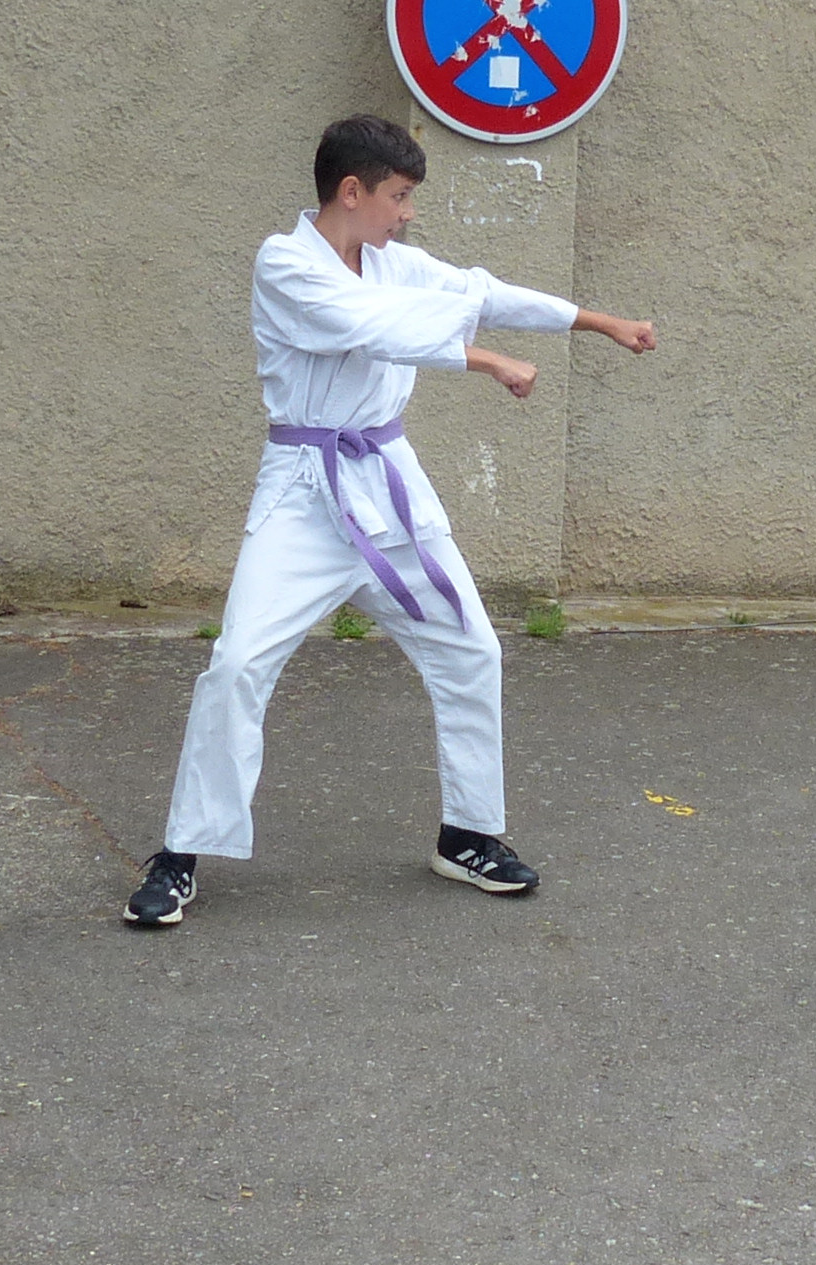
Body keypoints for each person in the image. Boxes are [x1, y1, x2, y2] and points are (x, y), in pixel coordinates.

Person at [123, 115, 657, 926]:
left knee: (471, 648)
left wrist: (597, 321)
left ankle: (468, 833)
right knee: (237, 663)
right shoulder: (285, 263)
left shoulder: (392, 263)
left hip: (388, 482)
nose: (407, 213)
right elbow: (372, 326)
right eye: (399, 197)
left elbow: (478, 291)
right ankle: (181, 852)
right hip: (305, 494)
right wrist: (486, 359)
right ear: (352, 191)